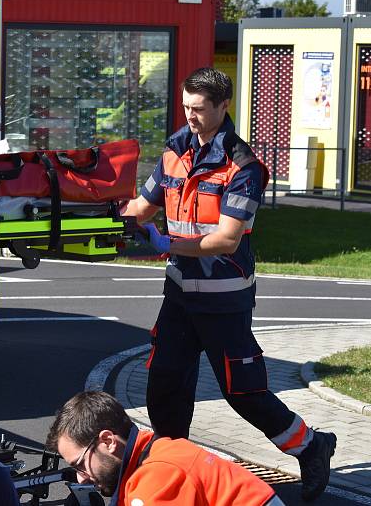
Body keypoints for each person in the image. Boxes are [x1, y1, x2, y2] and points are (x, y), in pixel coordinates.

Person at [120, 67, 336, 502]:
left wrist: (166, 243)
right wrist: (110, 218)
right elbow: (143, 206)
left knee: (243, 392)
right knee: (164, 387)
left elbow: (226, 237)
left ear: (224, 106)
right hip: (179, 297)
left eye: (199, 109)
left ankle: (313, 447)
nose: (190, 116)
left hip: (225, 300)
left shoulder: (244, 166)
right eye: (186, 107)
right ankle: (172, 469)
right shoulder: (174, 151)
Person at [48, 391, 285, 505]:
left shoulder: (160, 474)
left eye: (80, 465)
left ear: (108, 441)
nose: (81, 479)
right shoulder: (149, 455)